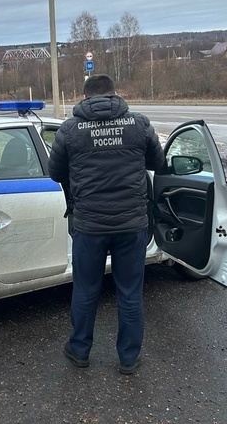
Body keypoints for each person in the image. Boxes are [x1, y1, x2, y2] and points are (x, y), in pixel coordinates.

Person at [48, 74, 165, 375]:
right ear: (115, 94)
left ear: (85, 96)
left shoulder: (70, 130)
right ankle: (128, 358)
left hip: (89, 225)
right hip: (131, 224)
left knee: (86, 290)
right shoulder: (139, 125)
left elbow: (54, 171)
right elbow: (157, 163)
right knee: (129, 292)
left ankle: (79, 351)